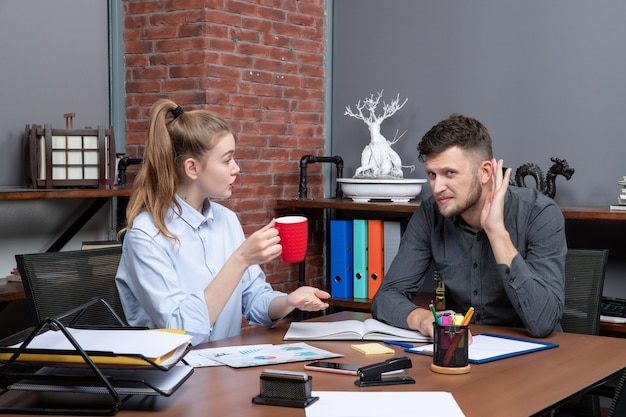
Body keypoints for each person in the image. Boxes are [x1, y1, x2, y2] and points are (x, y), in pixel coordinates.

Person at [115, 99, 330, 345]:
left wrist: (289, 301)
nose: (236, 168)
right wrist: (240, 260)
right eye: (227, 160)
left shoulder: (226, 220)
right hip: (174, 375)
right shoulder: (146, 235)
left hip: (223, 369)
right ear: (192, 168)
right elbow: (183, 333)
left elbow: (255, 302)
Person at [371, 114, 566, 338]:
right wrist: (423, 319)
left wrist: (497, 233)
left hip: (537, 358)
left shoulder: (539, 213)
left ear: (485, 172)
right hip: (464, 349)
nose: (437, 187)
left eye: (449, 173)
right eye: (432, 175)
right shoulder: (430, 214)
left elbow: (543, 322)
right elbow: (385, 297)